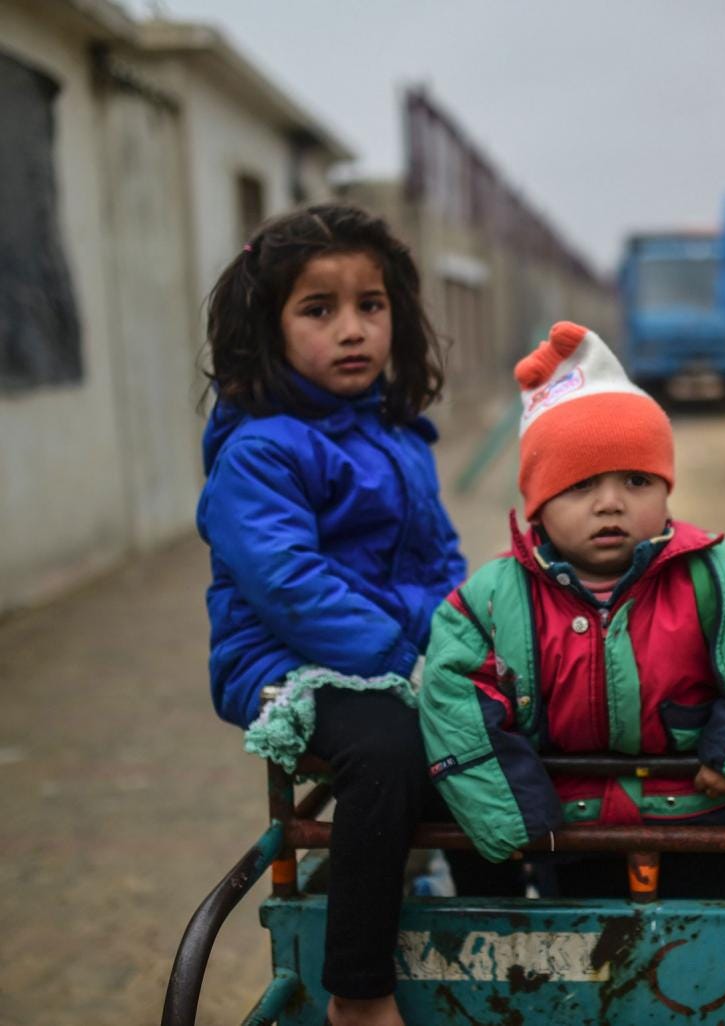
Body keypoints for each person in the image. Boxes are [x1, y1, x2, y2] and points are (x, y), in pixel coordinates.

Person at [419, 321, 725, 895]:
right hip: (571, 837)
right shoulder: (487, 605)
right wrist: (511, 813)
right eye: (580, 485)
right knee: (589, 967)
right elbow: (452, 698)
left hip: (705, 822)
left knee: (713, 966)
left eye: (636, 480)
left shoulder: (724, 577)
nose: (611, 503)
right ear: (537, 505)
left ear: (666, 490)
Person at [197, 203, 466, 1026]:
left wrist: (467, 642)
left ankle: (506, 911)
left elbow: (441, 563)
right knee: (386, 750)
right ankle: (359, 991)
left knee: (499, 717)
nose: (352, 329)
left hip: (392, 655)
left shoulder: (398, 438)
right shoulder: (262, 451)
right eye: (319, 310)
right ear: (267, 330)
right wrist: (404, 660)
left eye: (371, 306)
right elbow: (289, 584)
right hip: (286, 664)